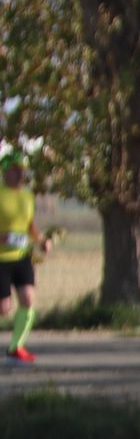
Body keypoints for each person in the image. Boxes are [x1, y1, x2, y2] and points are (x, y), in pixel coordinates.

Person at [0, 146, 56, 363]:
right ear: (5, 171)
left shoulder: (27, 196)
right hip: (1, 260)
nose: (20, 173)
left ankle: (16, 347)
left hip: (22, 257)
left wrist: (41, 240)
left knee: (28, 299)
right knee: (4, 308)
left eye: (23, 169)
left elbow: (30, 224)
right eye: (16, 169)